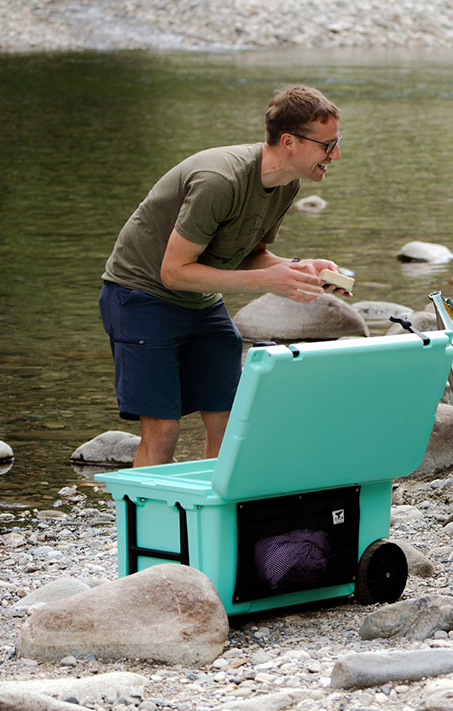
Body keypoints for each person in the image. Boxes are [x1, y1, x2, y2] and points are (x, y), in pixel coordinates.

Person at [99, 85, 349, 467]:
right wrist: (268, 282)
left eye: (337, 142)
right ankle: (145, 525)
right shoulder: (220, 180)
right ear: (289, 142)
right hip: (141, 295)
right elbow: (173, 272)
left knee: (229, 420)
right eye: (327, 145)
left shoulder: (285, 184)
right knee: (163, 429)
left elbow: (251, 254)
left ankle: (214, 520)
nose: (336, 154)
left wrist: (297, 267)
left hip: (199, 299)